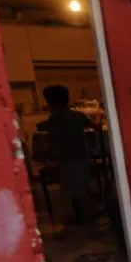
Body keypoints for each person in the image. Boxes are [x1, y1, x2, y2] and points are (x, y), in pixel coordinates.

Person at [37, 84, 100, 222]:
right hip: (83, 156)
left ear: (50, 102)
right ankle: (89, 214)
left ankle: (86, 216)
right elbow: (96, 127)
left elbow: (55, 142)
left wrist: (47, 156)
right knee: (82, 187)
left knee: (73, 189)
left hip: (67, 159)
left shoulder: (54, 119)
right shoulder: (78, 115)